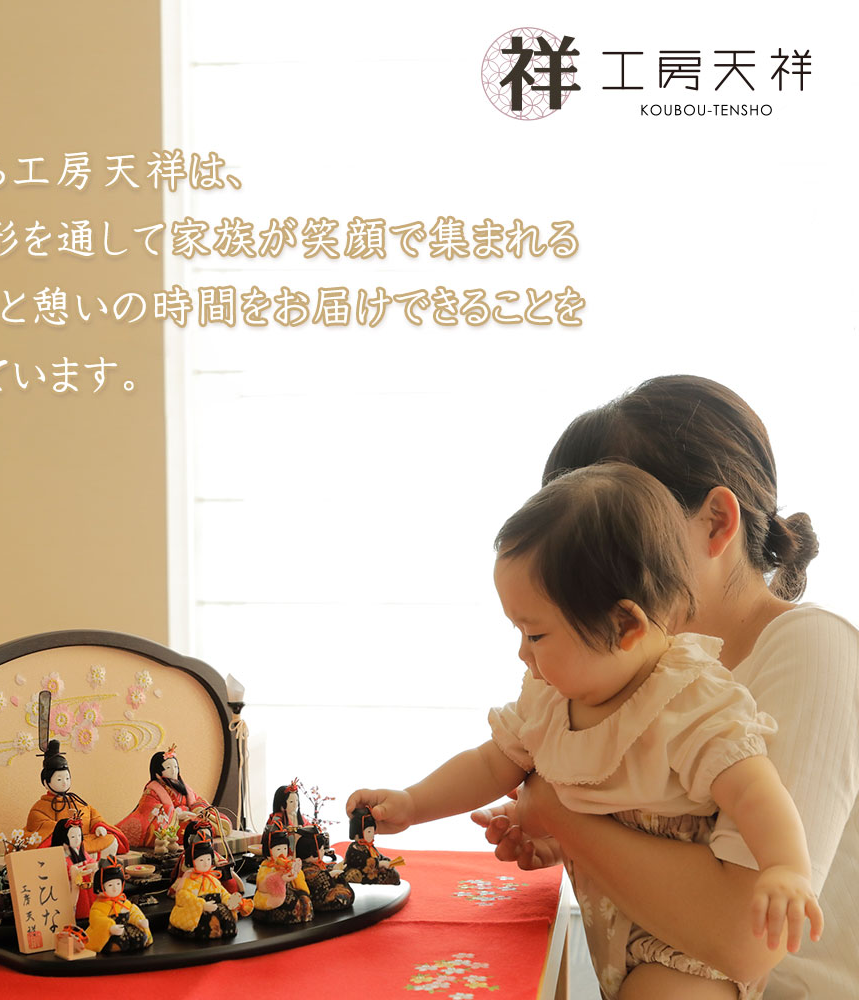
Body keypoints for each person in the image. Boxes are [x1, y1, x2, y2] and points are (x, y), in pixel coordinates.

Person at [355, 376, 859, 1000]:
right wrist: (564, 831)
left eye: (617, 529)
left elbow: (743, 938)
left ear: (716, 522)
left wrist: (561, 814)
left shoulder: (809, 648)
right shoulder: (615, 673)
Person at [25, 740, 128, 857]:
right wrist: (64, 830)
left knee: (111, 840)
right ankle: (81, 859)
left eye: (67, 778)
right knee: (60, 850)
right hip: (65, 842)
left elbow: (93, 815)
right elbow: (39, 824)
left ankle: (92, 860)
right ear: (45, 782)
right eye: (59, 779)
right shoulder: (40, 807)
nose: (64, 783)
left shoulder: (76, 801)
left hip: (85, 839)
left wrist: (98, 826)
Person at [116, 746, 211, 850]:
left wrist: (197, 810)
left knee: (205, 824)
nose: (174, 771)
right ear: (157, 773)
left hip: (188, 817)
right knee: (186, 831)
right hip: (171, 824)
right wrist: (176, 814)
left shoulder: (183, 788)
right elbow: (149, 810)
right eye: (168, 768)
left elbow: (197, 800)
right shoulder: (152, 790)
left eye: (176, 767)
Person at [168, 832, 249, 939]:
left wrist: (233, 902)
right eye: (201, 860)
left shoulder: (212, 879)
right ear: (193, 862)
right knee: (208, 920)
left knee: (227, 919)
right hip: (199, 912)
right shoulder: (189, 879)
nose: (206, 863)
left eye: (208, 859)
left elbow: (223, 893)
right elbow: (182, 896)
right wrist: (202, 905)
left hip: (216, 908)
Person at [86, 858, 153, 954]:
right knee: (119, 943)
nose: (115, 888)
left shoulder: (123, 901)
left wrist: (139, 921)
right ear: (100, 888)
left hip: (126, 928)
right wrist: (110, 927)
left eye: (118, 884)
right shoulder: (99, 906)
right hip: (110, 933)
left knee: (140, 938)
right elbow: (96, 919)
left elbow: (133, 911)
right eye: (110, 885)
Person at [251, 826, 313, 924]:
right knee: (291, 903)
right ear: (269, 852)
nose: (282, 852)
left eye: (285, 848)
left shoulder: (286, 863)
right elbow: (262, 884)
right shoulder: (266, 866)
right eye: (278, 849)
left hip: (288, 890)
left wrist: (295, 874)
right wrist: (280, 879)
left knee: (303, 897)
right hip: (272, 896)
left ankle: (304, 917)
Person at [50, 817, 98, 920]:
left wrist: (93, 865)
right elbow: (61, 872)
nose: (77, 839)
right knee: (79, 905)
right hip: (71, 885)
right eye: (73, 836)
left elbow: (89, 860)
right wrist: (75, 871)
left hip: (84, 881)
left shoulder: (79, 850)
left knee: (89, 901)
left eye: (79, 835)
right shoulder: (61, 854)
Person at [343, 808, 402, 886]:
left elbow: (377, 855)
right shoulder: (354, 847)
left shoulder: (369, 846)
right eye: (369, 831)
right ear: (358, 833)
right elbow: (363, 861)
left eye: (373, 831)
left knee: (392, 873)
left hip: (373, 869)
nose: (372, 834)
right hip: (361, 872)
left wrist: (385, 860)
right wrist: (379, 863)